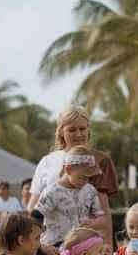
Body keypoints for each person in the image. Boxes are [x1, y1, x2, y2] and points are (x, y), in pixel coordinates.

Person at [27, 105, 119, 246]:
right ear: (61, 132)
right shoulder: (47, 161)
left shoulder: (99, 160)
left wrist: (107, 253)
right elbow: (32, 208)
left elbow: (104, 214)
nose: (78, 134)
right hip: (51, 244)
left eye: (82, 129)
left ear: (88, 130)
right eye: (72, 129)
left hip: (87, 246)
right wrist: (36, 247)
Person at [36, 147, 106, 252]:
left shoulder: (90, 190)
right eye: (82, 177)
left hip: (81, 246)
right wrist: (41, 247)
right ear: (68, 170)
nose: (86, 181)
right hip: (55, 247)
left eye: (89, 178)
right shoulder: (52, 192)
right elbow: (35, 219)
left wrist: (91, 223)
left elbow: (102, 220)